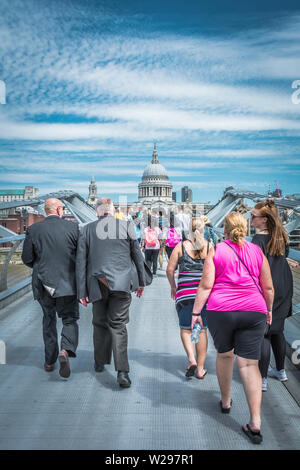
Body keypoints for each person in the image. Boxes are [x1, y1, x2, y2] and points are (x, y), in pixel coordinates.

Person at [192, 212, 274, 445]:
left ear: (224, 231)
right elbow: (268, 287)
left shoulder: (216, 251)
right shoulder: (257, 251)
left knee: (225, 355)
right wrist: (268, 310)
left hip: (222, 311)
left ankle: (226, 401)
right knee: (249, 364)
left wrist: (196, 313)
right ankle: (255, 422)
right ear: (246, 228)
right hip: (254, 310)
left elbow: (206, 285)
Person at [76, 198, 151, 388]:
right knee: (118, 325)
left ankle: (100, 362)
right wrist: (141, 283)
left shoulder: (86, 229)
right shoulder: (126, 226)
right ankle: (123, 372)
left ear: (97, 212)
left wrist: (81, 291)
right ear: (113, 211)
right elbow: (137, 255)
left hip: (97, 283)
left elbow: (81, 262)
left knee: (99, 322)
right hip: (122, 282)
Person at [21, 198, 79, 379]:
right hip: (67, 283)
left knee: (48, 320)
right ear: (60, 210)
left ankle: (49, 361)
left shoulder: (33, 229)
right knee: (69, 318)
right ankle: (65, 350)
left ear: (47, 211)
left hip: (43, 282)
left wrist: (40, 267)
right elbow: (81, 256)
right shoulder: (73, 228)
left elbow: (27, 258)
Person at [251, 200, 293, 391]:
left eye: (254, 217)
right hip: (284, 285)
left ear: (264, 220)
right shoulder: (281, 236)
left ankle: (262, 379)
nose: (251, 220)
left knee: (264, 333)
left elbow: (255, 268)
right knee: (278, 329)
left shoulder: (258, 240)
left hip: (267, 286)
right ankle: (281, 371)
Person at [167, 217, 212, 379]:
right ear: (204, 229)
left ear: (189, 230)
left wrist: (173, 286)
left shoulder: (180, 246)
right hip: (205, 295)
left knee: (186, 329)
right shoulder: (210, 247)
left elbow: (169, 270)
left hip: (185, 294)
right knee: (201, 329)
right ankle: (200, 369)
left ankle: (192, 360)